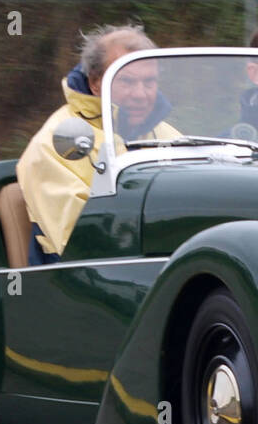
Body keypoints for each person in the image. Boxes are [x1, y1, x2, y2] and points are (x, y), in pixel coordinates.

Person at [17, 25, 179, 263]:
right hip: (79, 279)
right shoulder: (59, 139)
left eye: (149, 82)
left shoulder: (168, 135)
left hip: (160, 266)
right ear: (95, 82)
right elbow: (84, 242)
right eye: (127, 81)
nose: (140, 94)